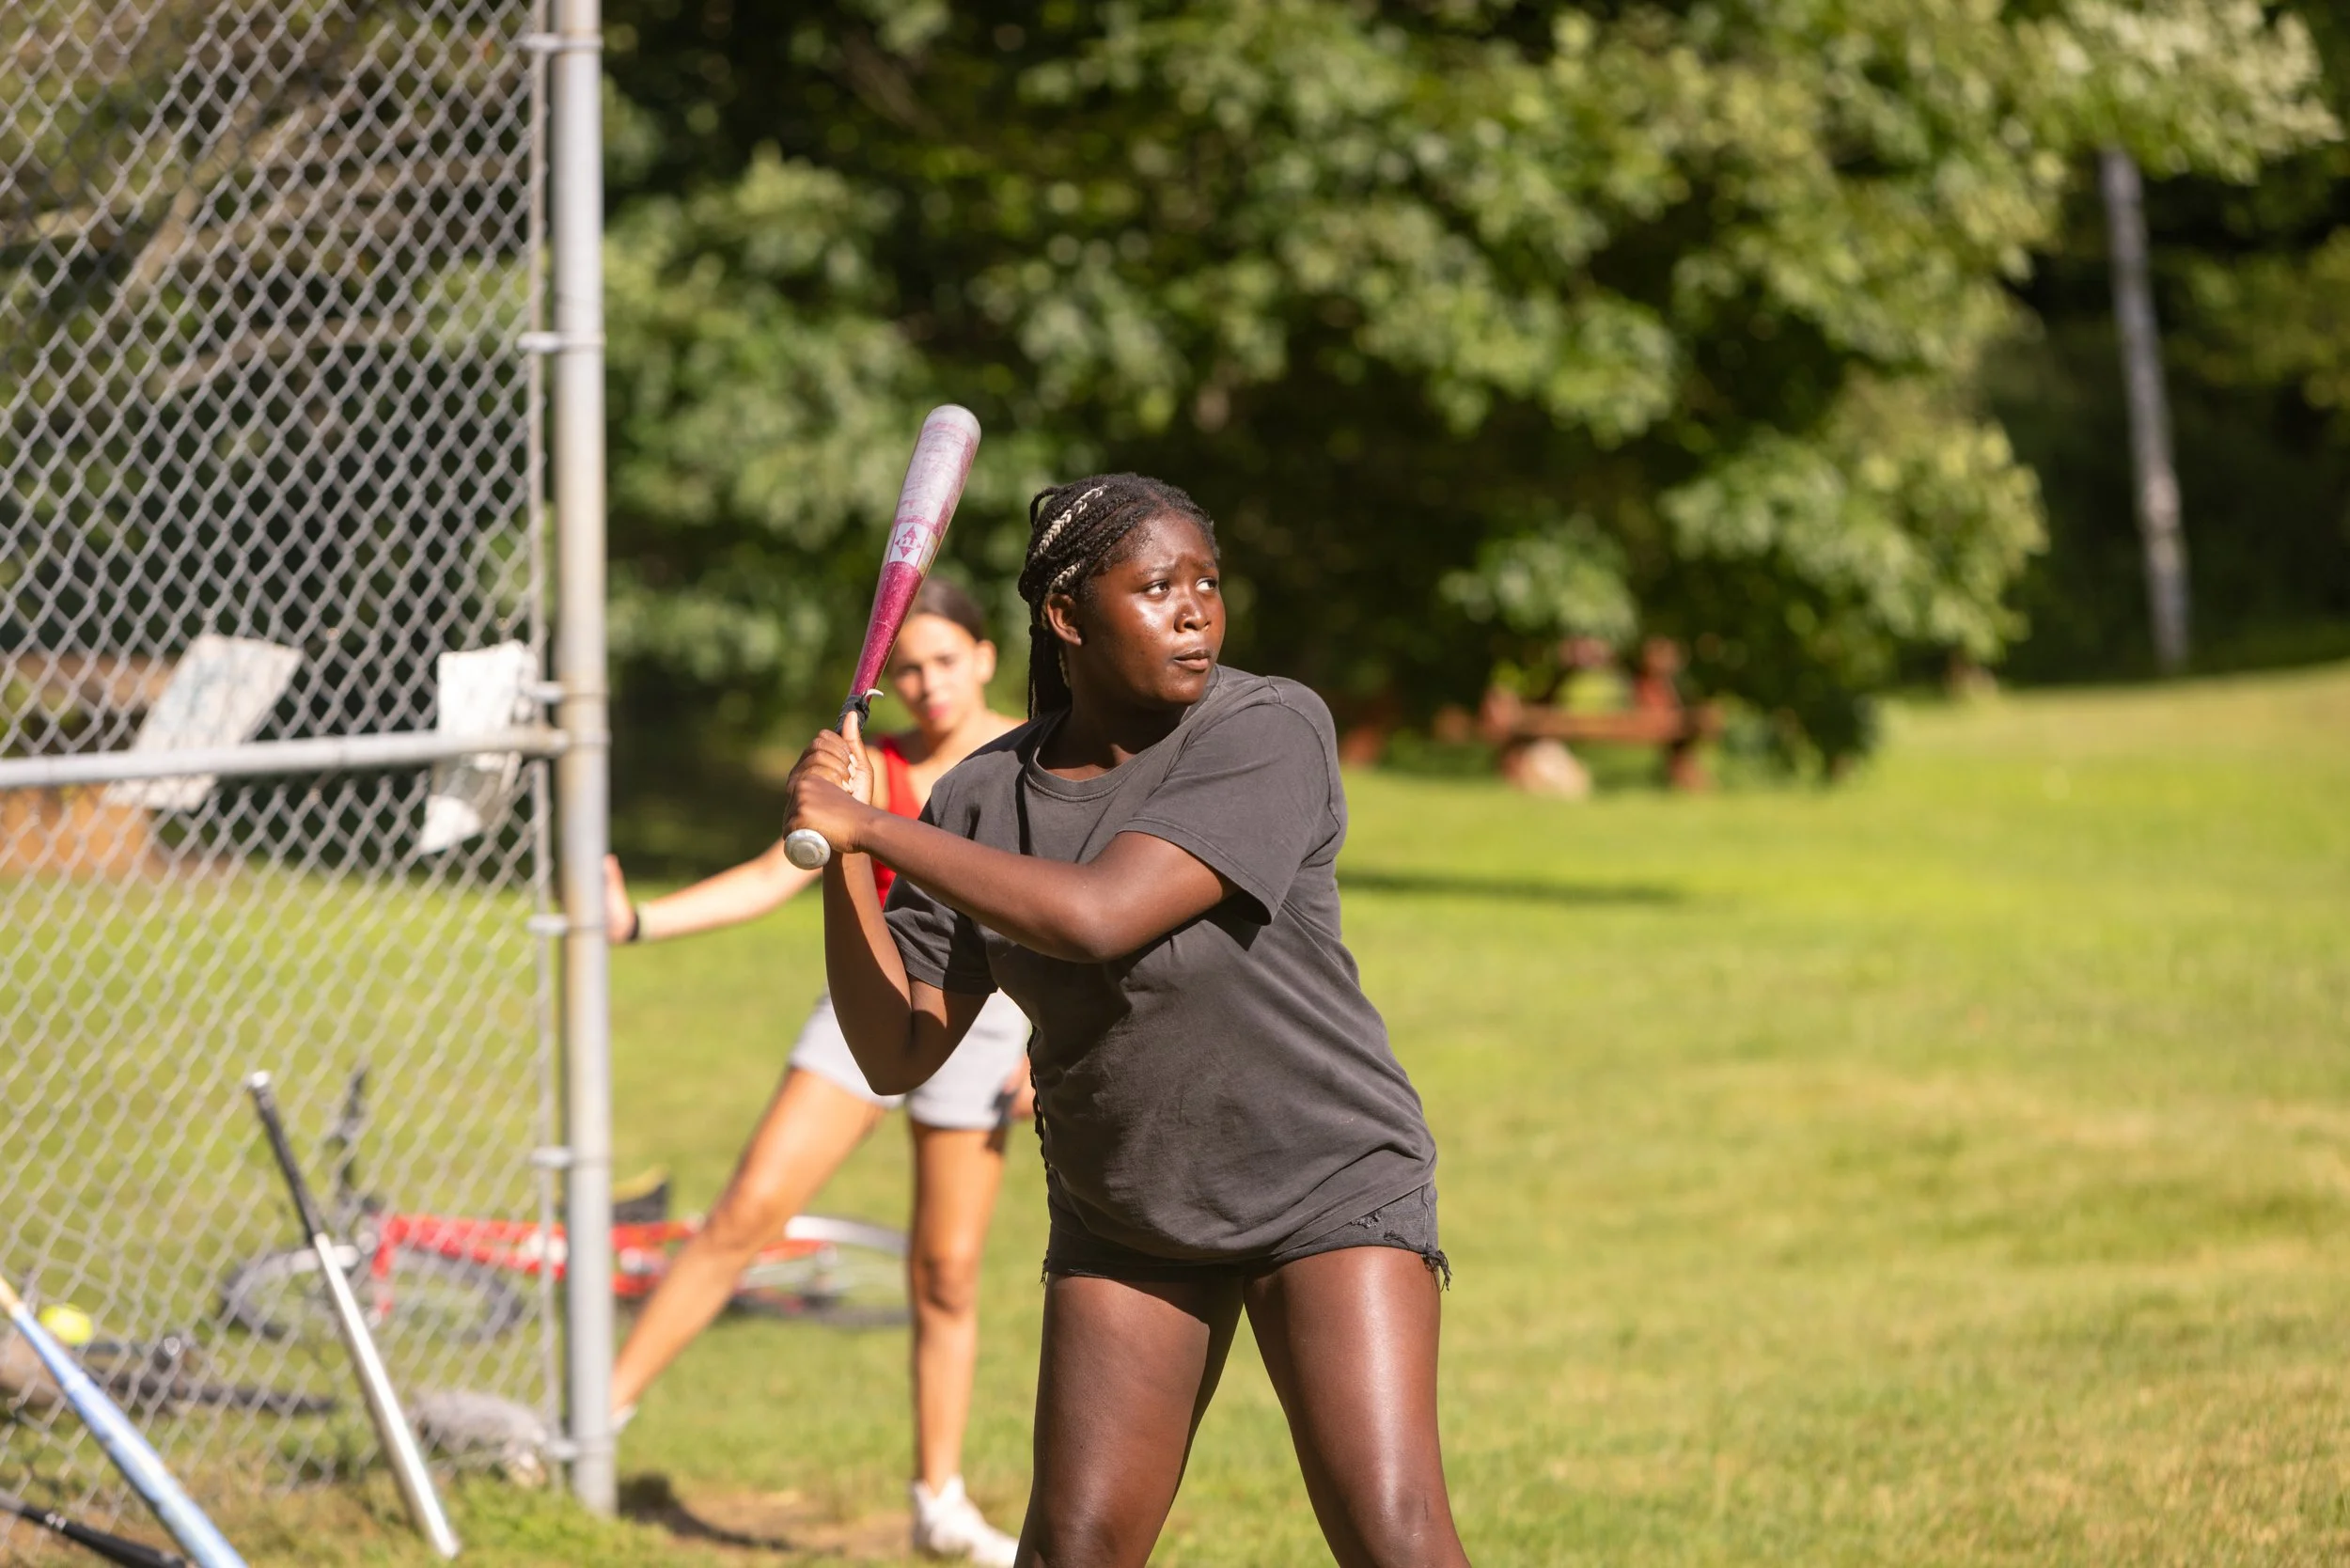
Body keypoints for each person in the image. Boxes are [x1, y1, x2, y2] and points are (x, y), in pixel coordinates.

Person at [784, 475, 1471, 1567]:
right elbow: (896, 1047)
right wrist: (841, 858)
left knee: (1393, 1535)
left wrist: (874, 824)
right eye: (1157, 588)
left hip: (1322, 1180)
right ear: (1066, 616)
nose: (1195, 611)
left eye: (1207, 583)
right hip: (1128, 1211)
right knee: (1075, 1549)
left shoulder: (1266, 727)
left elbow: (1100, 916)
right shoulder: (981, 800)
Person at [605, 578, 1029, 1566]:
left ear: (983, 659)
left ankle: (939, 1504)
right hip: (867, 1005)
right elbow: (773, 875)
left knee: (947, 1272)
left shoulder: (1030, 758)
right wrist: (635, 922)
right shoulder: (870, 767)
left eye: (945, 661)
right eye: (907, 669)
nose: (927, 683)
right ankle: (593, 1426)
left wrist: (1047, 1045)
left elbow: (1070, 902)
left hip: (989, 1021)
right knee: (744, 1214)